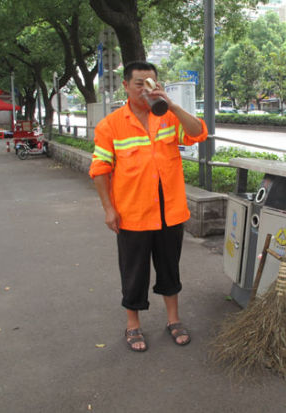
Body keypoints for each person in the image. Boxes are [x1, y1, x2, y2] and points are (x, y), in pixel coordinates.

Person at [89, 61, 208, 352]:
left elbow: (198, 133)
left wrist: (173, 106)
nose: (145, 89)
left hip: (170, 212)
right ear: (126, 86)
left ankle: (173, 320)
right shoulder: (111, 126)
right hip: (133, 215)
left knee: (170, 269)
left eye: (151, 83)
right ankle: (133, 325)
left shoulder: (167, 117)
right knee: (134, 273)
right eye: (140, 83)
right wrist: (108, 209)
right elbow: (100, 170)